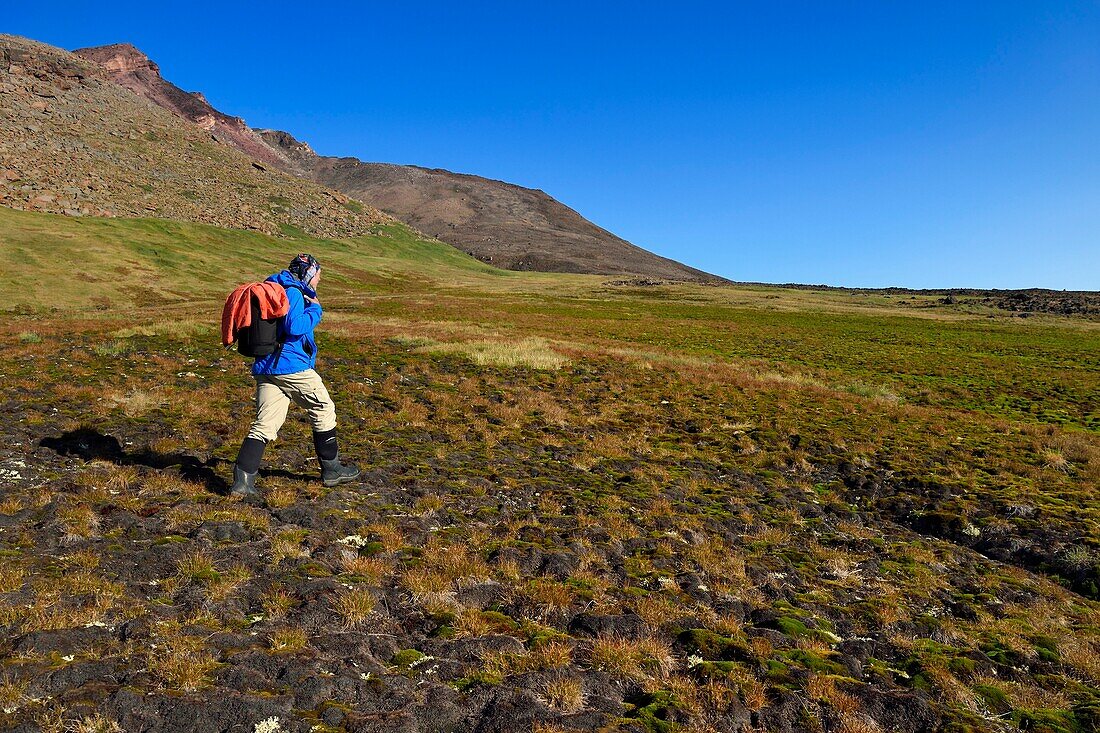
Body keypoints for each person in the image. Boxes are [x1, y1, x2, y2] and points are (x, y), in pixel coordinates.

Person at [230, 254, 361, 496]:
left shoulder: (275, 286)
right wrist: (317, 309)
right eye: (318, 276)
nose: (318, 281)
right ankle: (332, 470)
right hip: (291, 366)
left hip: (267, 367)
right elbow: (295, 326)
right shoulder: (293, 292)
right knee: (324, 409)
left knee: (265, 425)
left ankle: (242, 482)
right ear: (309, 273)